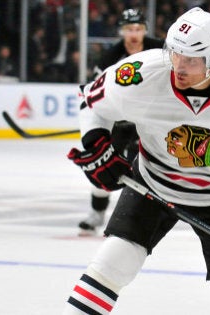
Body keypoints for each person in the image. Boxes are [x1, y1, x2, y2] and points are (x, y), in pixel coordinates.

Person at [64, 7, 210, 314]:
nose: (180, 67)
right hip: (153, 183)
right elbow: (92, 101)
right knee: (112, 263)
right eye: (175, 54)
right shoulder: (141, 74)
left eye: (192, 59)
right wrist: (96, 141)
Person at [77, 8, 165, 235]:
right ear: (122, 31)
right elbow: (96, 94)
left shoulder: (160, 49)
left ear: (145, 30)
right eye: (129, 29)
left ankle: (142, 218)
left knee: (147, 167)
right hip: (120, 121)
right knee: (103, 165)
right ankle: (96, 214)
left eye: (138, 29)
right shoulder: (109, 58)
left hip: (149, 119)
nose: (134, 34)